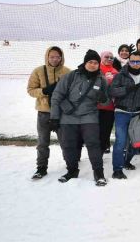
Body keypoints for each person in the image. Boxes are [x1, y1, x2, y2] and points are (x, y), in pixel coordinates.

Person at [50, 50, 109, 186]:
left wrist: (103, 98)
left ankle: (99, 173)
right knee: (69, 146)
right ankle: (71, 171)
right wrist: (54, 117)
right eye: (90, 62)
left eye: (96, 63)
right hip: (68, 117)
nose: (93, 65)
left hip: (89, 116)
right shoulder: (71, 76)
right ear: (85, 62)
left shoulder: (101, 80)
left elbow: (106, 102)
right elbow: (57, 96)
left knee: (93, 145)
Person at [27, 46, 70, 179]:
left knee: (66, 141)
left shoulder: (67, 71)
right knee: (42, 142)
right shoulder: (38, 71)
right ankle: (41, 168)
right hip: (44, 112)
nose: (55, 59)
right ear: (47, 57)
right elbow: (30, 90)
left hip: (62, 114)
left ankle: (71, 165)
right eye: (52, 57)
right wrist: (44, 91)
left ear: (61, 57)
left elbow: (74, 91)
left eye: (58, 56)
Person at [109, 51, 140, 179]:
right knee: (121, 142)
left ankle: (127, 161)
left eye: (137, 61)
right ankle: (117, 169)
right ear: (129, 62)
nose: (135, 64)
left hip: (137, 113)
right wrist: (126, 89)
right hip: (122, 112)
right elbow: (112, 91)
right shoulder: (121, 75)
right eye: (132, 61)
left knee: (137, 141)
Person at [98, 51, 118, 154]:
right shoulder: (96, 69)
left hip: (109, 107)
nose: (109, 59)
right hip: (95, 107)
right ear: (101, 57)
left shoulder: (115, 72)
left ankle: (101, 151)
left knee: (105, 131)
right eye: (107, 57)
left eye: (111, 58)